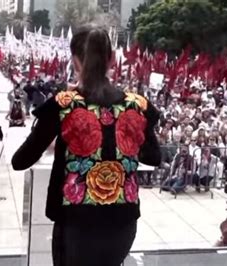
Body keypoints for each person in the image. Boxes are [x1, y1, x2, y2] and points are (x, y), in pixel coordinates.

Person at [12, 24, 161, 266]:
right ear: (112, 59)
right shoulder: (138, 104)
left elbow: (20, 161)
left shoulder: (63, 104)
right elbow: (154, 157)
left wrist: (54, 129)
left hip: (76, 223)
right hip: (123, 223)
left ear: (75, 61)